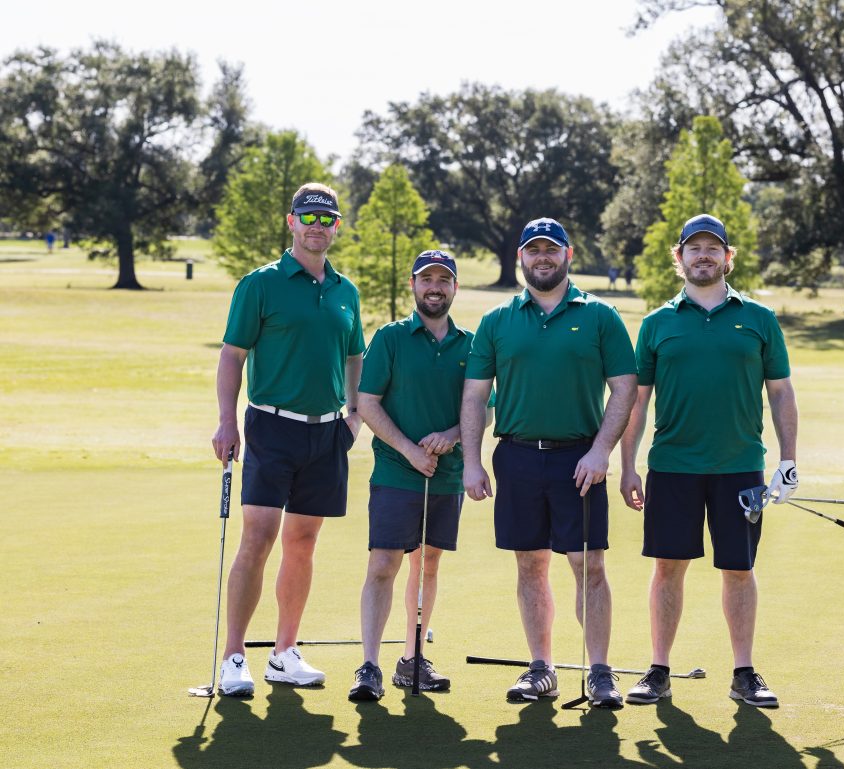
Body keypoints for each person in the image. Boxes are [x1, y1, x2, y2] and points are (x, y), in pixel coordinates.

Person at [618, 213, 798, 708]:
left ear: (727, 257)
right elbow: (638, 400)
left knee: (739, 569)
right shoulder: (657, 324)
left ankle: (744, 673)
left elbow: (780, 392)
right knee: (668, 567)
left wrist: (789, 461)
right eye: (693, 248)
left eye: (712, 248)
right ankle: (658, 670)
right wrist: (628, 463)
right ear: (678, 258)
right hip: (672, 466)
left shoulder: (759, 318)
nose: (703, 256)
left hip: (740, 466)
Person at [461, 217, 638, 709]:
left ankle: (601, 672)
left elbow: (624, 389)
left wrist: (601, 451)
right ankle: (542, 669)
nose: (543, 257)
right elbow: (475, 397)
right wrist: (472, 462)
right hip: (516, 457)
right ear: (521, 256)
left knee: (589, 566)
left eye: (551, 249)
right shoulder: (497, 321)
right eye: (533, 250)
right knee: (529, 564)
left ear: (568, 254)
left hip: (579, 460)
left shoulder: (600, 316)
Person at [211, 183, 364, 696]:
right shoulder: (260, 284)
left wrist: (355, 416)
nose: (318, 226)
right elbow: (232, 355)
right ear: (291, 222)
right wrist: (227, 422)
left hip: (327, 433)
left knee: (303, 542)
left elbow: (354, 356)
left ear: (336, 226)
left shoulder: (346, 290)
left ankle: (284, 653)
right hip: (271, 427)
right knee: (258, 538)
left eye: (327, 218)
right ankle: (234, 656)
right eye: (309, 217)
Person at [349, 249, 490, 702]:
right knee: (383, 565)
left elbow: (487, 408)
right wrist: (409, 450)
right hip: (396, 473)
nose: (435, 287)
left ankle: (413, 658)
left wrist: (453, 435)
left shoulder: (472, 345)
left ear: (455, 287)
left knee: (428, 563)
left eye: (443, 280)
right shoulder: (390, 338)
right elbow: (367, 403)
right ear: (413, 285)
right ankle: (369, 665)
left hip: (445, 476)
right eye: (426, 279)